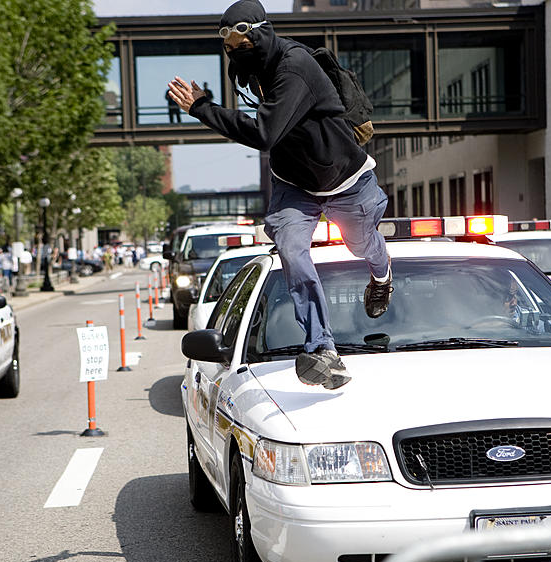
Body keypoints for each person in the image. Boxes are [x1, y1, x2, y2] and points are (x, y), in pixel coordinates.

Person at [166, 0, 393, 390]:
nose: (236, 53)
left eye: (242, 43)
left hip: (344, 178)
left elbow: (264, 134)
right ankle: (322, 346)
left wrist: (203, 108)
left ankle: (382, 274)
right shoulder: (256, 70)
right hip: (293, 184)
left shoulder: (294, 67)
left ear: (259, 33)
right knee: (290, 250)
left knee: (361, 244)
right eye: (230, 48)